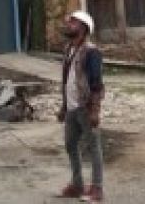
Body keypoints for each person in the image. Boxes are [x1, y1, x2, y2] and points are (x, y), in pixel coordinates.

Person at [57, 11, 105, 202]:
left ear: (83, 28)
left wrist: (95, 110)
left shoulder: (92, 51)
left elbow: (96, 82)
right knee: (70, 145)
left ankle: (97, 188)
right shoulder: (68, 49)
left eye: (74, 22)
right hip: (71, 108)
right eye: (70, 22)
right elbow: (66, 80)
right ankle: (77, 184)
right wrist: (63, 106)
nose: (69, 25)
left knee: (94, 146)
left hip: (85, 107)